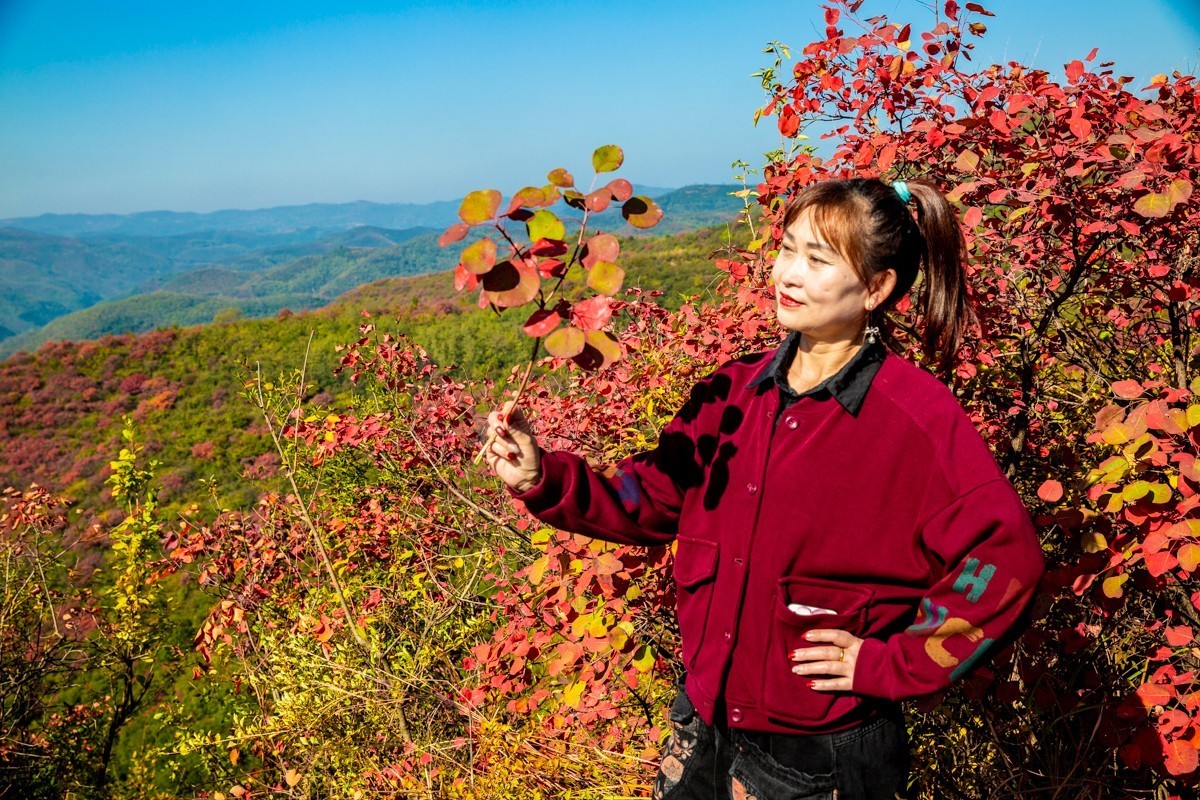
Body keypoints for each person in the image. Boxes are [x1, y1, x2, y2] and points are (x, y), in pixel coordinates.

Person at [482, 177, 1045, 800]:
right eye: (788, 249)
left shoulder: (914, 417)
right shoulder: (732, 392)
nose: (789, 274)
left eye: (818, 259)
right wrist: (543, 478)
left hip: (820, 750)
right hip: (702, 719)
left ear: (877, 288)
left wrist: (890, 664)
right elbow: (652, 497)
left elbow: (1005, 557)